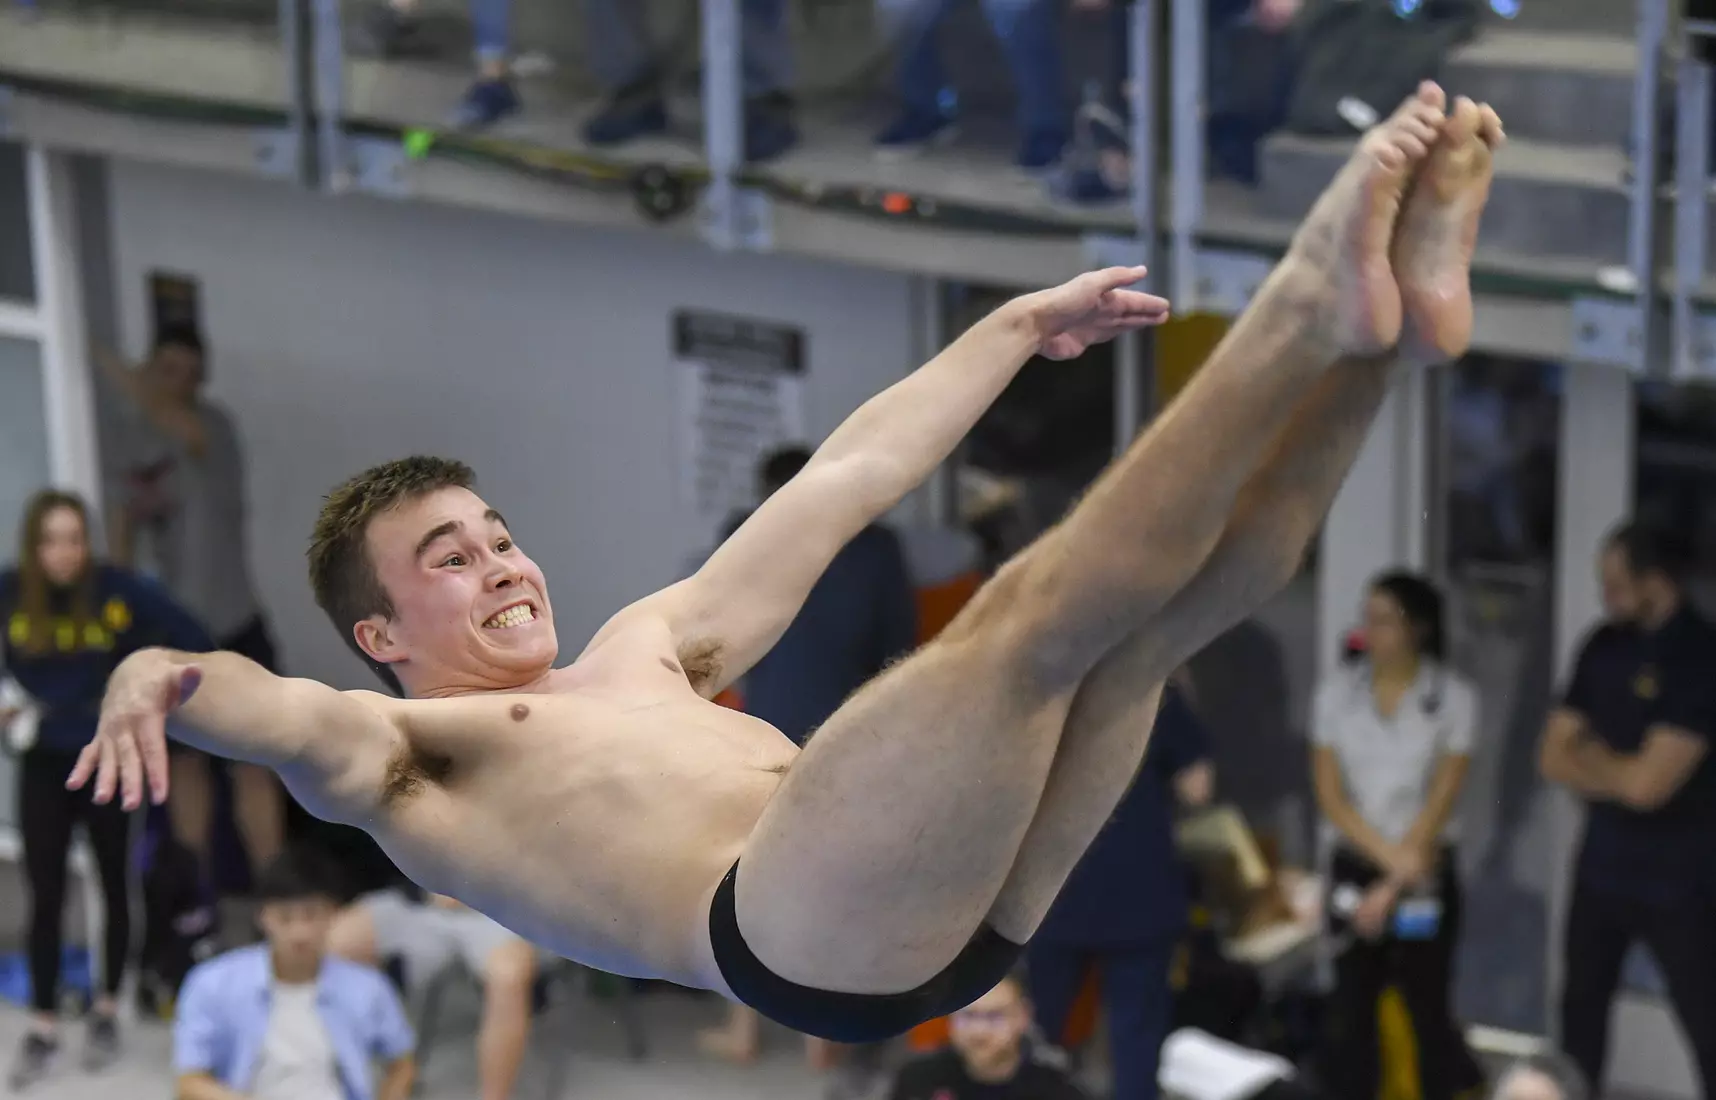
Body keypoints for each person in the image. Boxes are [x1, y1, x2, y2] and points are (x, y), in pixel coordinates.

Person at [74, 87, 1503, 1044]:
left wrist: (1009, 330)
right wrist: (151, 676)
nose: (503, 561)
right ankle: (1308, 303)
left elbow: (847, 477)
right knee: (1027, 624)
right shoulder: (401, 749)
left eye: (498, 532)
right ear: (382, 633)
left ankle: (1384, 345)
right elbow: (258, 701)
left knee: (1154, 630)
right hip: (786, 929)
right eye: (449, 560)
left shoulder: (647, 646)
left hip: (954, 921)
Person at [699, 443, 919, 1066]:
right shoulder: (877, 548)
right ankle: (819, 1035)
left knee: (736, 877)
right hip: (850, 730)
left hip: (762, 723)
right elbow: (901, 648)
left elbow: (717, 629)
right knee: (830, 885)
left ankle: (744, 1033)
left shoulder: (744, 534)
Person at [0, 489, 213, 1089]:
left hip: (108, 754)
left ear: (87, 542)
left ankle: (107, 1009)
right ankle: (43, 1023)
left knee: (114, 881)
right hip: (41, 759)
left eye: (74, 539)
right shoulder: (12, 591)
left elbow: (196, 640)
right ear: (33, 546)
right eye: (51, 541)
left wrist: (150, 692)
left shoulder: (119, 589)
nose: (64, 553)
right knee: (46, 892)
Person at [101, 324, 288, 897]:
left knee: (255, 763)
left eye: (187, 372)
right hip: (171, 630)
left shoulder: (212, 426)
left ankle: (277, 894)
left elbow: (177, 420)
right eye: (166, 369)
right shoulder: (132, 439)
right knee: (183, 767)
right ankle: (197, 903)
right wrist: (122, 606)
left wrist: (93, 348)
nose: (174, 384)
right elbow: (123, 523)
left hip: (234, 621)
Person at [1538, 521, 1716, 1095]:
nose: (1605, 596)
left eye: (1616, 584)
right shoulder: (1602, 644)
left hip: (1680, 882)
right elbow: (1550, 757)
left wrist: (1591, 756)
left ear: (1656, 581)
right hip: (1602, 873)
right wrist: (1622, 765)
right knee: (1579, 1024)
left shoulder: (1698, 655)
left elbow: (1650, 788)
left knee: (1706, 1026)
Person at [1311, 571, 1482, 1100]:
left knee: (1424, 1005)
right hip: (1359, 863)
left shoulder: (1453, 698)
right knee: (1350, 1008)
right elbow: (1332, 796)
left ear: (1420, 628)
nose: (1371, 630)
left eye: (1385, 620)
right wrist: (1381, 869)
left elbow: (1440, 800)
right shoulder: (1337, 695)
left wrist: (1396, 881)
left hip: (1421, 870)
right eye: (1368, 618)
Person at [1026, 673, 1213, 1100]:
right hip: (1139, 892)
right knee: (1136, 1046)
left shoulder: (1046, 689)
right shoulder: (1152, 688)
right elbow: (1198, 788)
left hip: (1053, 891)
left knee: (1033, 1039)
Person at [173, 849, 417, 1100]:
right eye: (285, 918)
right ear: (262, 916)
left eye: (310, 916)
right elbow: (190, 1082)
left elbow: (402, 1063)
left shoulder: (368, 986)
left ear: (333, 913)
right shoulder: (212, 983)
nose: (300, 932)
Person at [328, 891, 535, 1100]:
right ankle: (386, 1070)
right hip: (418, 902)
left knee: (509, 976)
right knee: (334, 942)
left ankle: (495, 1097)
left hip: (495, 913)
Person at [887, 973, 1088, 1100]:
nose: (979, 1030)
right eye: (968, 1016)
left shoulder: (1056, 1091)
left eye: (995, 1016)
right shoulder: (918, 1079)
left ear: (1023, 1016)